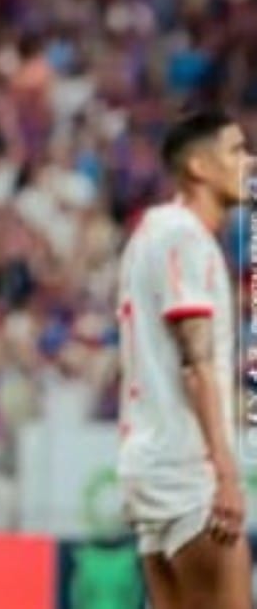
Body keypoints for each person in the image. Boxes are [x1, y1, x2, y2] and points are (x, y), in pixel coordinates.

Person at [116, 109, 252, 609]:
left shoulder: (150, 233)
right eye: (236, 150)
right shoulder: (184, 237)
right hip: (185, 467)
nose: (249, 162)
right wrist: (225, 472)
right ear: (198, 166)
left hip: (151, 462)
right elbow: (196, 365)